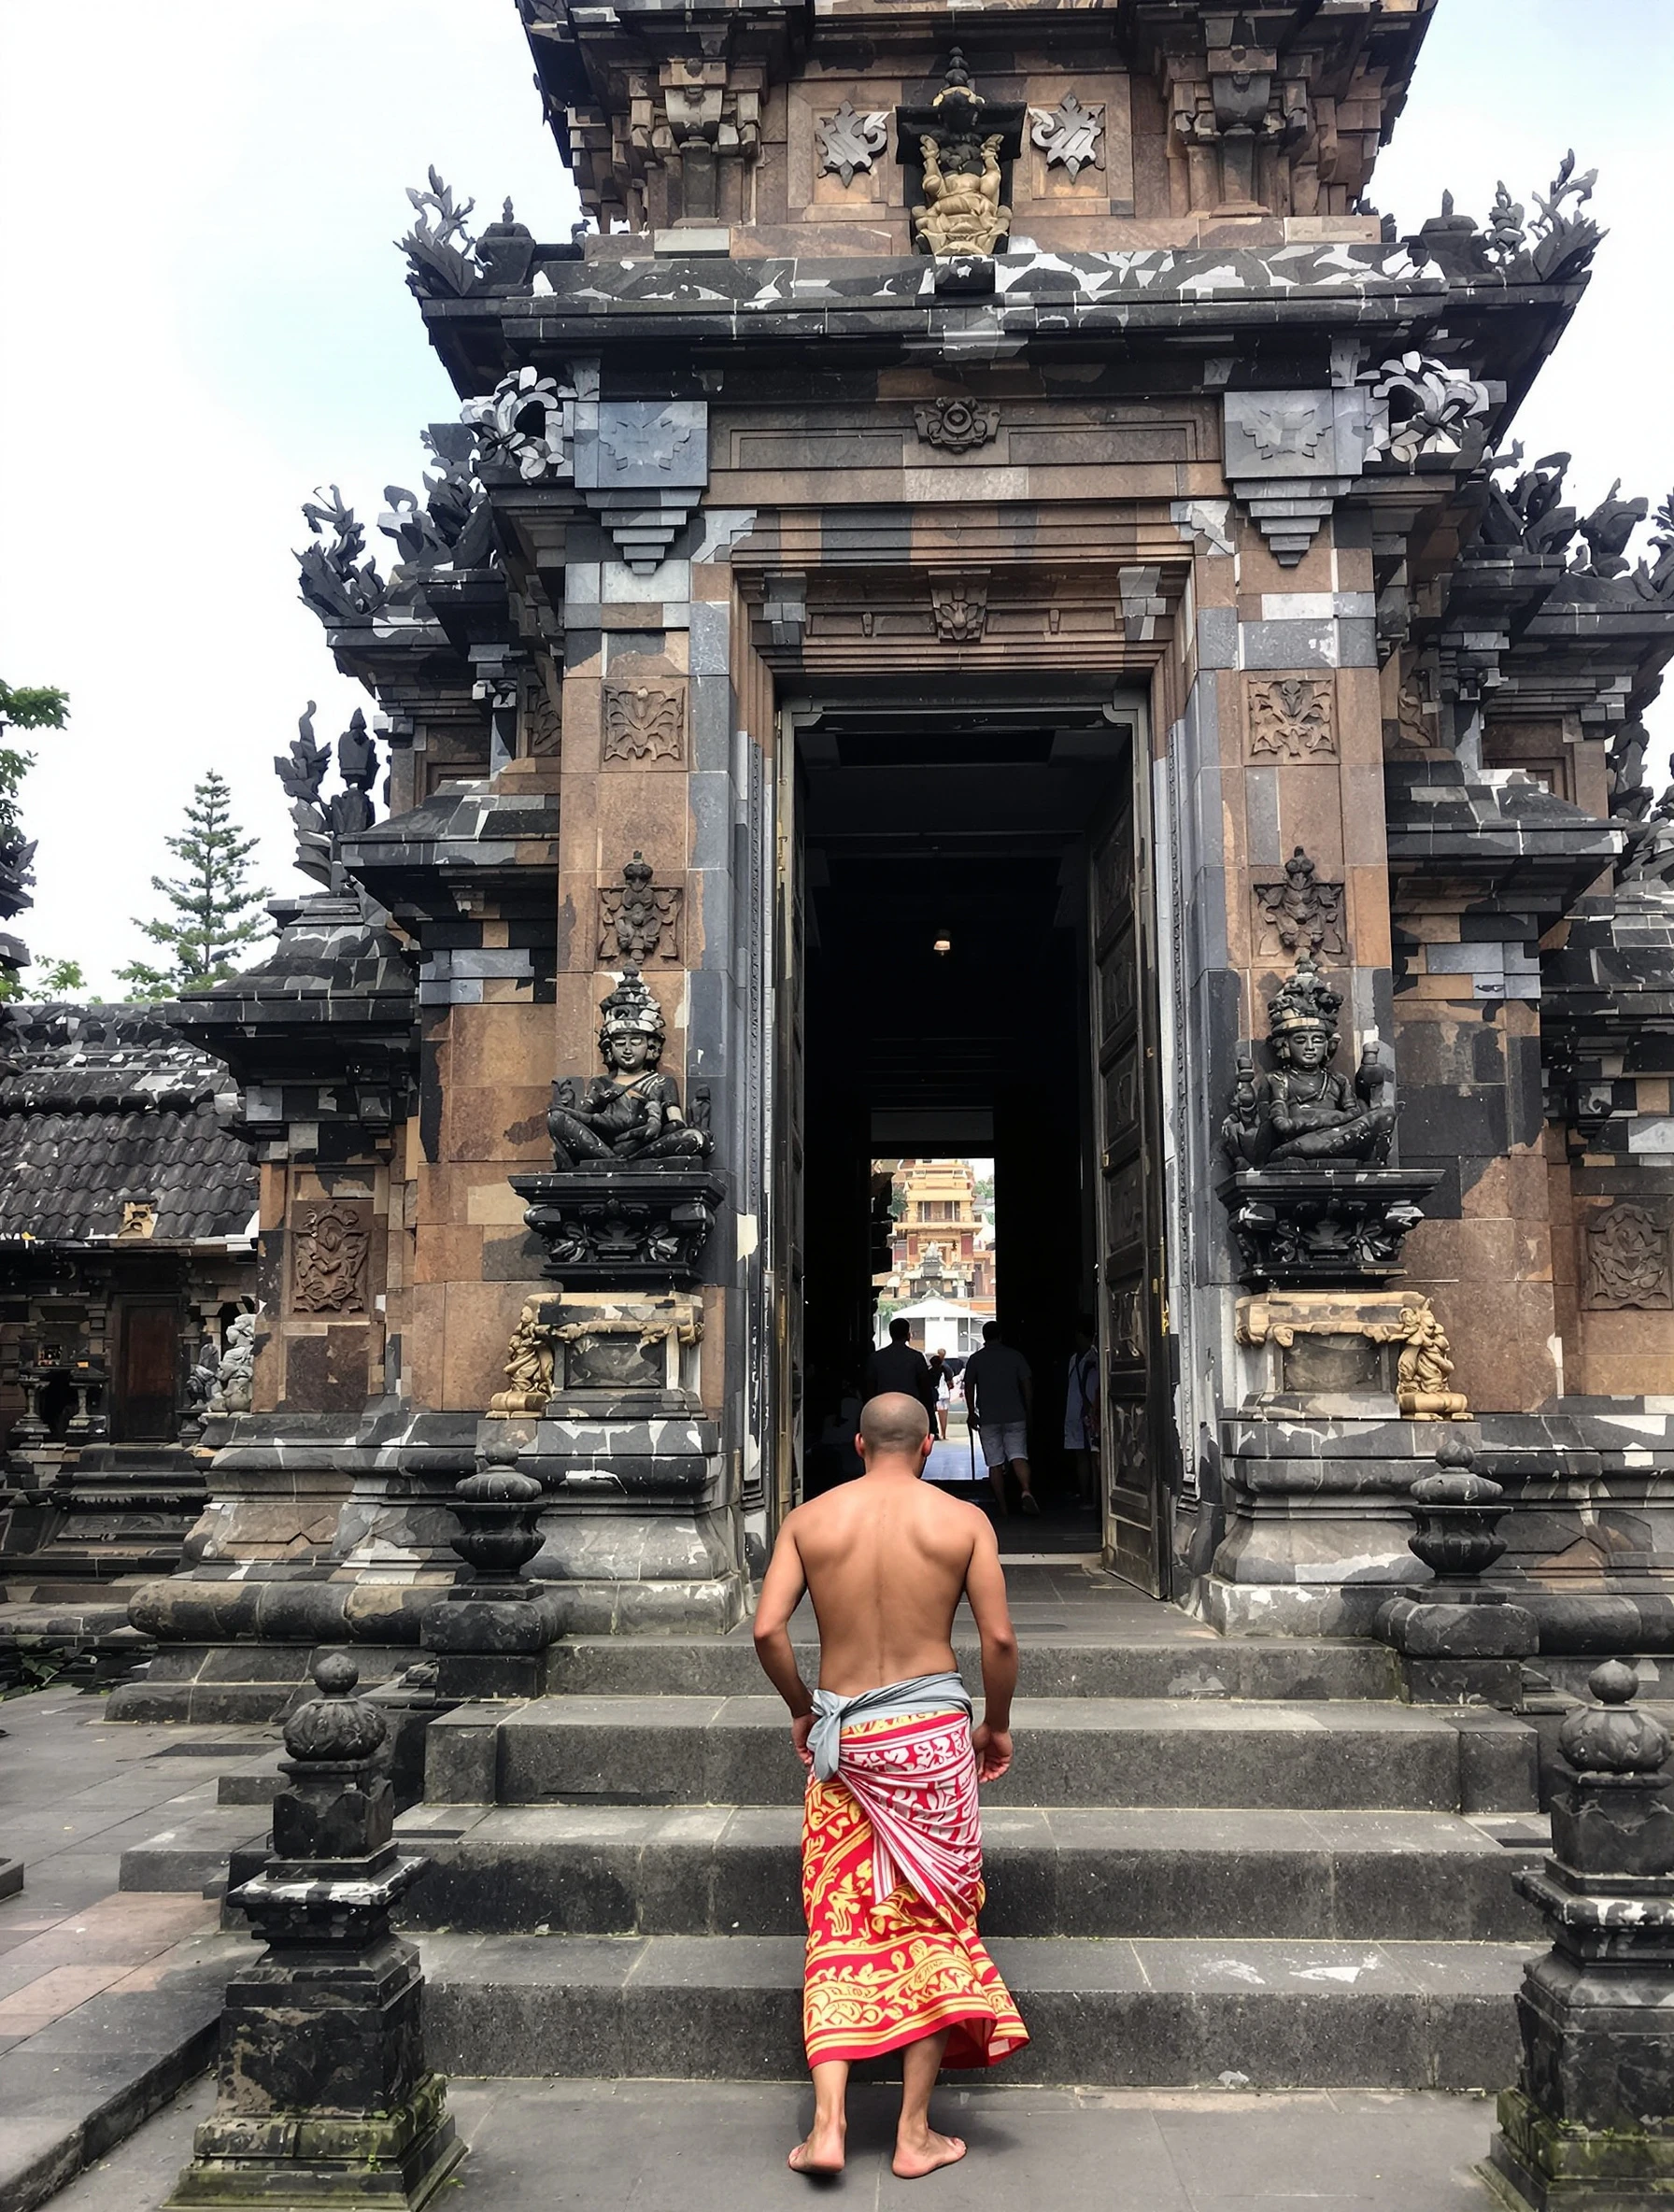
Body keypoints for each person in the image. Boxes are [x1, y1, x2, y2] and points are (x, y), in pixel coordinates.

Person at [754, 1392, 1026, 2179]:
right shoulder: (962, 1521)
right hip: (931, 1740)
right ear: (931, 1443)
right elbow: (1000, 1639)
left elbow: (768, 1629)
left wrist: (803, 1708)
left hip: (848, 1740)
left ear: (857, 1445)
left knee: (839, 1916)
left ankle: (828, 2126)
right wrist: (996, 1723)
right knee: (934, 1917)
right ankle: (913, 2133)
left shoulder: (809, 1520)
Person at [963, 1321, 1037, 1516]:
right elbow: (1027, 1385)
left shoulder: (976, 1359)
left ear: (984, 1337)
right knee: (1018, 1455)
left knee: (994, 1463)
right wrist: (1029, 1410)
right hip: (1015, 1414)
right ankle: (1026, 1490)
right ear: (1001, 1335)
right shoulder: (1015, 1356)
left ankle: (1003, 1507)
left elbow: (969, 1386)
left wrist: (971, 1412)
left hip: (988, 1417)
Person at [863, 1317, 937, 1430]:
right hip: (911, 1411)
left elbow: (869, 1389)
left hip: (882, 1411)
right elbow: (925, 1390)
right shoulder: (916, 1358)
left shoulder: (876, 1358)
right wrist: (931, 1421)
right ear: (908, 1335)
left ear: (891, 1334)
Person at [1064, 1316, 1100, 1510]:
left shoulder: (1094, 1359)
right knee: (1082, 1455)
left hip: (1088, 1413)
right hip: (1076, 1411)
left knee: (1092, 1456)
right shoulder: (1075, 1359)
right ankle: (1086, 1494)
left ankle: (1093, 1498)